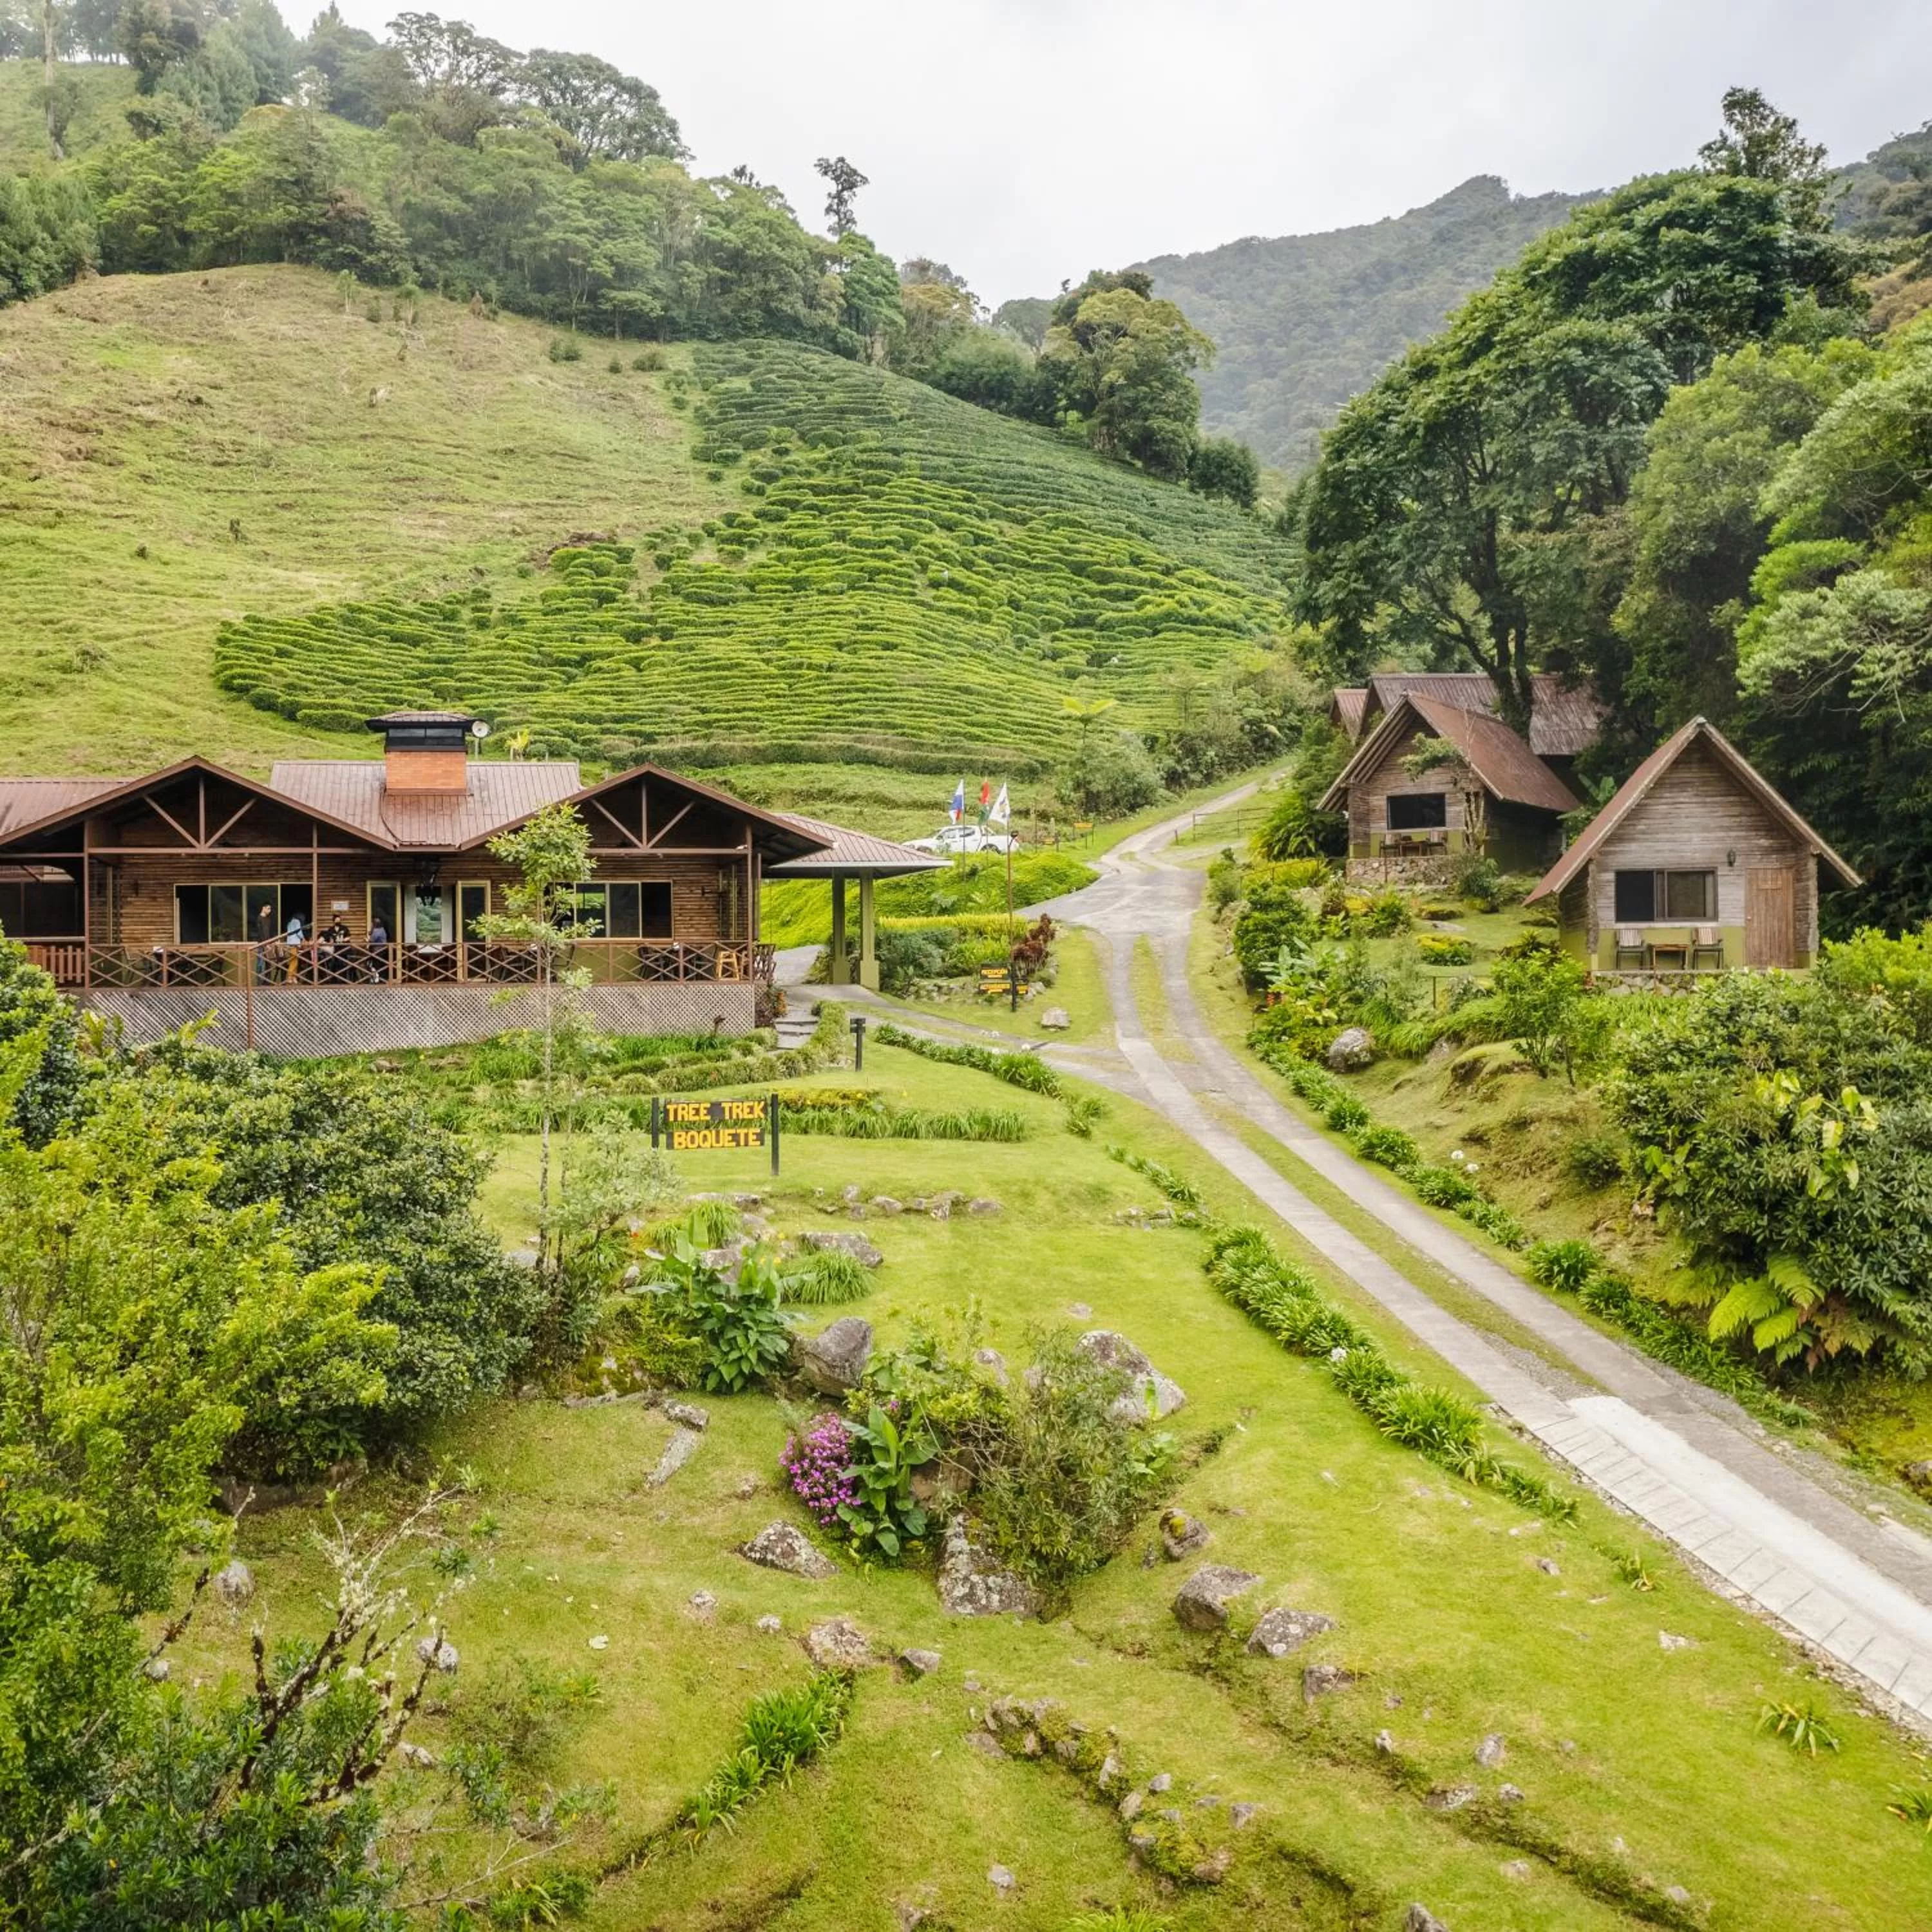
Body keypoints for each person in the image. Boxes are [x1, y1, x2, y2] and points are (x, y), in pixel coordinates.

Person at [366, 913, 390, 983]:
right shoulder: (382, 929)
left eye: (372, 924)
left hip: (378, 951)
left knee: (376, 965)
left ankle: (378, 980)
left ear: (375, 924)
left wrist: (367, 940)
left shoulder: (377, 931)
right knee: (381, 965)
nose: (371, 925)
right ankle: (381, 979)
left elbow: (372, 941)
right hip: (383, 950)